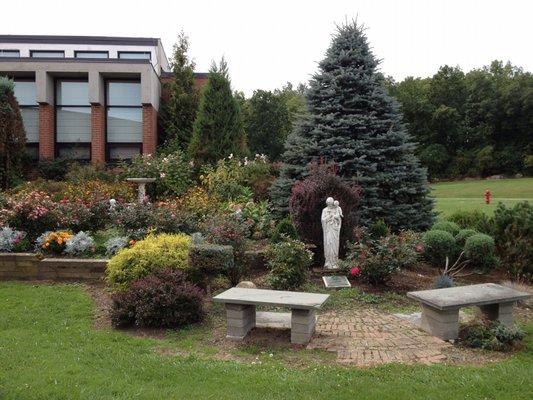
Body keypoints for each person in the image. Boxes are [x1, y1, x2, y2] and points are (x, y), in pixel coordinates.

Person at [321, 197, 342, 269]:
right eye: (328, 203)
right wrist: (329, 216)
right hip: (328, 231)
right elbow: (323, 220)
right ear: (327, 203)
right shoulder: (324, 210)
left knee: (335, 246)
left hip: (335, 231)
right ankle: (328, 262)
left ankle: (334, 262)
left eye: (330, 203)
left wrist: (336, 218)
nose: (329, 205)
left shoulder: (336, 209)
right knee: (328, 245)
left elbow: (339, 220)